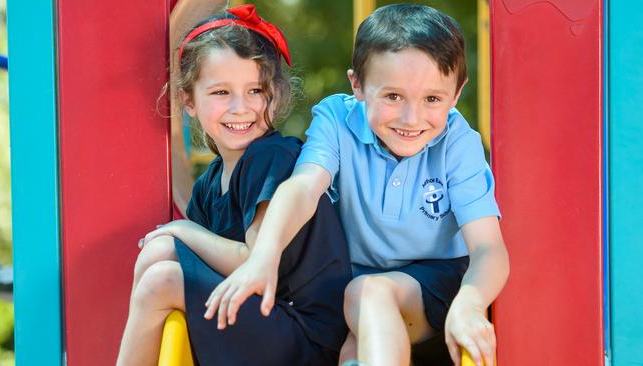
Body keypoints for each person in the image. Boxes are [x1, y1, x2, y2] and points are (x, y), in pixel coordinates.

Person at [204, 4, 509, 366]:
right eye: (393, 97)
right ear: (358, 85)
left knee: (370, 293)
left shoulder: (458, 142)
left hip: (437, 282)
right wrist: (264, 256)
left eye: (432, 99)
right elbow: (302, 187)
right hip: (350, 284)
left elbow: (489, 249)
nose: (412, 118)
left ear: (456, 94)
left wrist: (470, 303)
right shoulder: (336, 119)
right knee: (351, 346)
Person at [116, 5, 351, 365]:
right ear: (188, 101)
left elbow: (251, 259)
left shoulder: (274, 156)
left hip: (305, 336)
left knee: (162, 278)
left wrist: (182, 229)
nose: (241, 108)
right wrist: (178, 235)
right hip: (259, 318)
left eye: (255, 90)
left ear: (275, 92)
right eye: (221, 92)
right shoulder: (209, 185)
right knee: (157, 254)